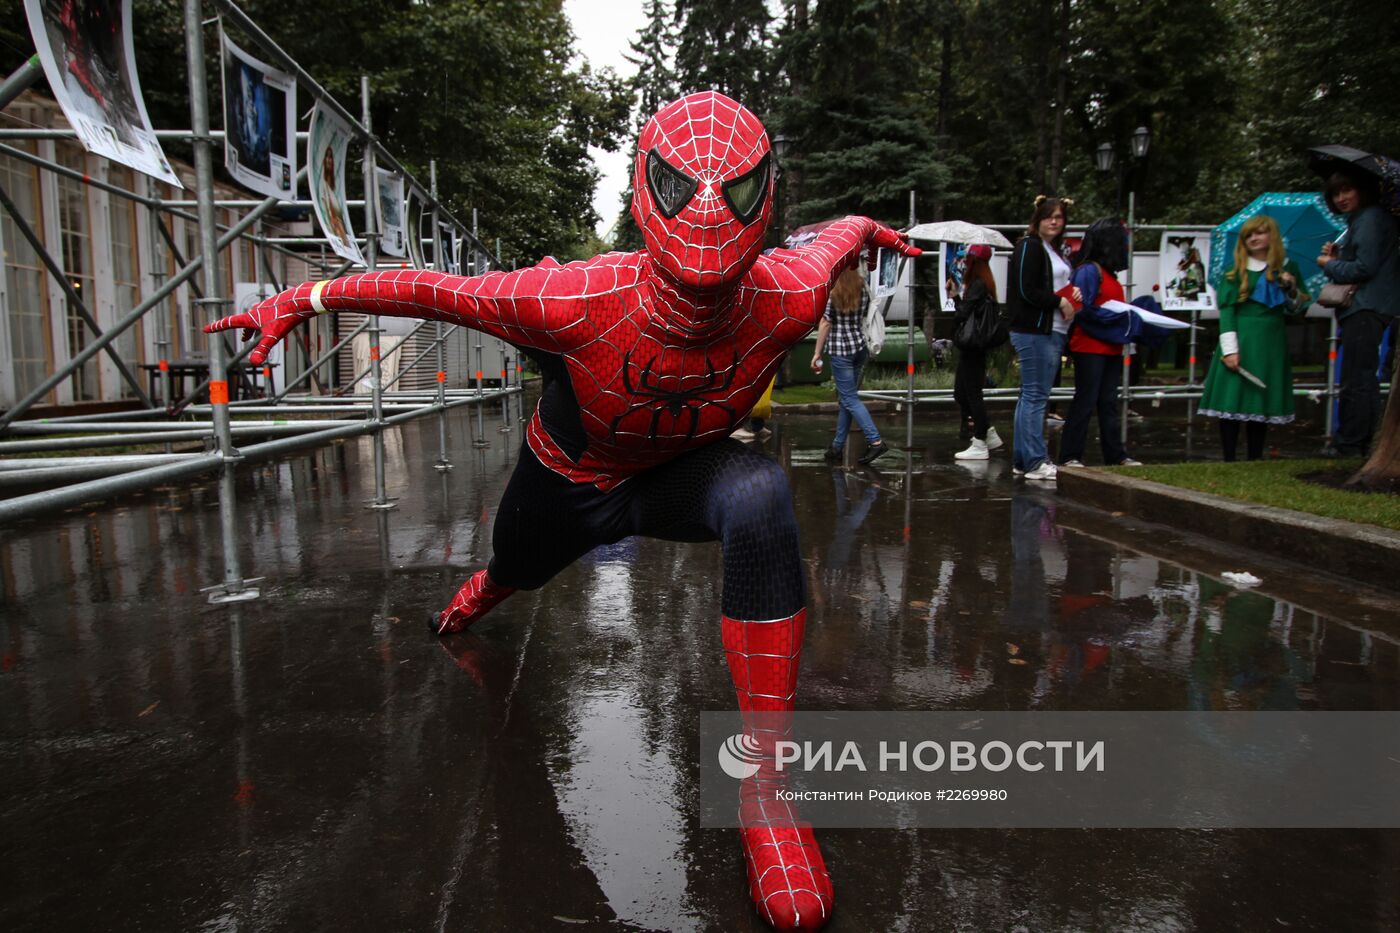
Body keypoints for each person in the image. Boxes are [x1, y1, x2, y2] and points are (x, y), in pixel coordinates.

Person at [209, 91, 921, 933]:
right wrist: (308, 298)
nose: (704, 215)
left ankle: (766, 791)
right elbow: (434, 289)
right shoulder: (575, 298)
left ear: (763, 201)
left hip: (675, 476)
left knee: (760, 493)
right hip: (567, 482)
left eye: (729, 192)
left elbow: (838, 231)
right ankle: (492, 584)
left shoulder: (790, 293)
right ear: (640, 194)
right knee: (518, 564)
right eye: (680, 187)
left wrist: (869, 229)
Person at [1199, 216, 1309, 460]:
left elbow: (1298, 309)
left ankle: (1255, 458)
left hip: (1271, 341)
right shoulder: (1235, 270)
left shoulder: (1288, 268)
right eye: (1249, 235)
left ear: (1273, 236)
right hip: (1241, 337)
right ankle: (1229, 458)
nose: (1254, 238)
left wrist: (1290, 288)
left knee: (1259, 399)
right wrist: (1230, 349)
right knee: (1232, 398)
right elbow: (1227, 311)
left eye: (1260, 233)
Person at [1317, 169, 1400, 457]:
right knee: (1357, 375)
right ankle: (1354, 440)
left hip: (1366, 307)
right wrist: (1339, 258)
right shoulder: (1364, 221)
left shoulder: (1371, 219)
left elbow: (1364, 268)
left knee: (1359, 377)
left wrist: (1328, 263)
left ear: (1362, 190)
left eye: (1347, 190)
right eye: (1336, 193)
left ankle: (1353, 443)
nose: (1341, 198)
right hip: (1366, 306)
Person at [1058, 218, 1141, 467]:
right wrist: (1118, 317)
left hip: (1110, 347)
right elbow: (1083, 309)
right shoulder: (1089, 271)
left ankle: (1116, 454)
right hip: (1090, 348)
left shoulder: (1106, 274)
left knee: (1108, 403)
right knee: (1086, 400)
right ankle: (1071, 454)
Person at [1006, 195, 1078, 481]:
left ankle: (1025, 459)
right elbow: (1026, 289)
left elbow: (1048, 285)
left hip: (1049, 329)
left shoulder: (1050, 250)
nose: (1054, 221)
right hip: (1035, 330)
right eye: (1049, 216)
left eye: (1059, 217)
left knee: (1031, 396)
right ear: (1037, 219)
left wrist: (1071, 296)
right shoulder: (1030, 247)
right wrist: (1058, 302)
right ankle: (1034, 459)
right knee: (1036, 396)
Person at [810, 266, 890, 465]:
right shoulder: (862, 287)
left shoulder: (833, 291)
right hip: (859, 347)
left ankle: (876, 441)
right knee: (847, 400)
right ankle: (836, 447)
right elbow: (866, 314)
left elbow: (826, 323)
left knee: (849, 399)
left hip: (841, 351)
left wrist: (817, 353)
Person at [951, 244, 1004, 459]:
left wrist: (955, 297)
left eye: (967, 259)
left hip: (973, 346)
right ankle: (987, 432)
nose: (964, 263)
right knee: (962, 392)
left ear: (974, 262)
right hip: (975, 347)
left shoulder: (977, 285)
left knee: (971, 393)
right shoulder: (984, 284)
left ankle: (981, 439)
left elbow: (963, 314)